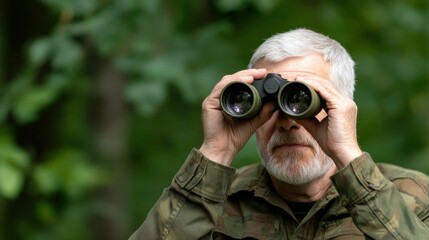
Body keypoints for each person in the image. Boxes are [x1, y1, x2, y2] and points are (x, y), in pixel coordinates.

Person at [130, 28, 429, 239]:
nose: (288, 121)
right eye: (271, 104)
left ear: (344, 109)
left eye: (303, 100)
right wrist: (216, 152)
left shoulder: (413, 195)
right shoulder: (214, 202)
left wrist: (349, 157)